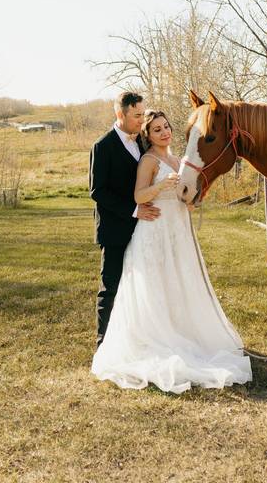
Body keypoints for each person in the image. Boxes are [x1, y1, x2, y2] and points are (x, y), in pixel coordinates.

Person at [90, 107, 252, 393]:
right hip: (155, 229)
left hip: (178, 230)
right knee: (157, 285)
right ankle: (159, 339)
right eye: (157, 129)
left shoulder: (179, 160)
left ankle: (183, 333)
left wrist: (192, 200)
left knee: (180, 282)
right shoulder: (148, 160)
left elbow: (184, 196)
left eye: (166, 127)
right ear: (148, 136)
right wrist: (162, 185)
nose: (165, 132)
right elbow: (139, 195)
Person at [89, 92, 160, 348]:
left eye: (143, 114)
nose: (142, 121)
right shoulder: (102, 146)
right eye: (137, 115)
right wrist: (133, 210)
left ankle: (140, 336)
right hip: (115, 228)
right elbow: (98, 191)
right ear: (121, 114)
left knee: (143, 284)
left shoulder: (141, 141)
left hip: (144, 227)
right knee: (111, 287)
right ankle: (104, 344)